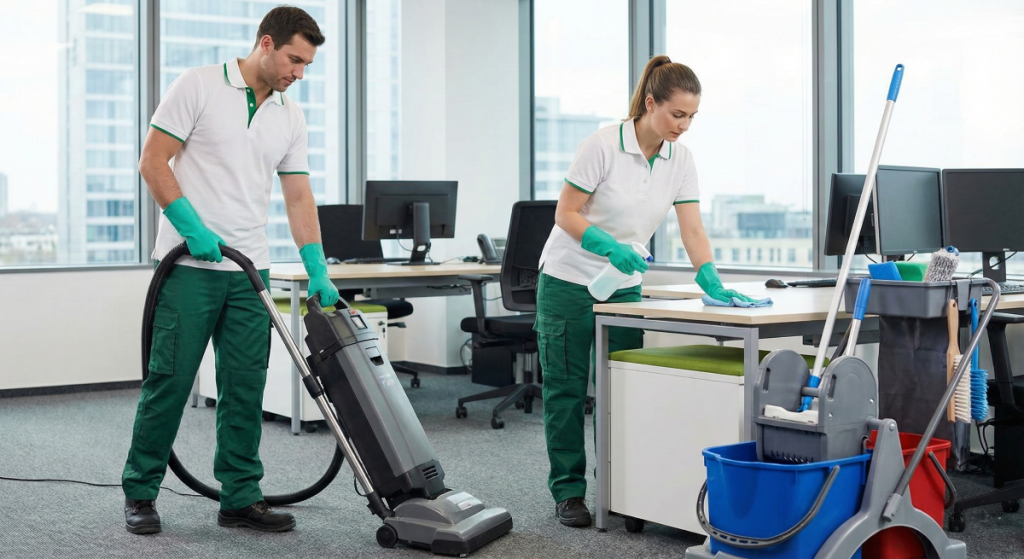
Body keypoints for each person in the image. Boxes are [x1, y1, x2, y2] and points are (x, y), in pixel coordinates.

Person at [121, 7, 339, 535]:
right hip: (189, 265)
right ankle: (141, 492)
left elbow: (298, 194)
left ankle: (240, 496)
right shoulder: (197, 86)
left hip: (249, 271)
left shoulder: (289, 115)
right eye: (294, 59)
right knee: (170, 380)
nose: (299, 74)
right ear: (266, 43)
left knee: (245, 385)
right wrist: (191, 227)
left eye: (307, 65)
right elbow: (154, 161)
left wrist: (316, 262)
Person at [534, 55, 756, 528]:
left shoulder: (681, 159)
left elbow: (691, 227)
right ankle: (570, 492)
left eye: (692, 116)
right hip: (570, 280)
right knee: (567, 392)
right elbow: (566, 213)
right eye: (678, 114)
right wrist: (606, 245)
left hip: (624, 288)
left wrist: (709, 275)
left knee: (622, 389)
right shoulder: (602, 145)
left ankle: (621, 489)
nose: (685, 125)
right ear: (650, 103)